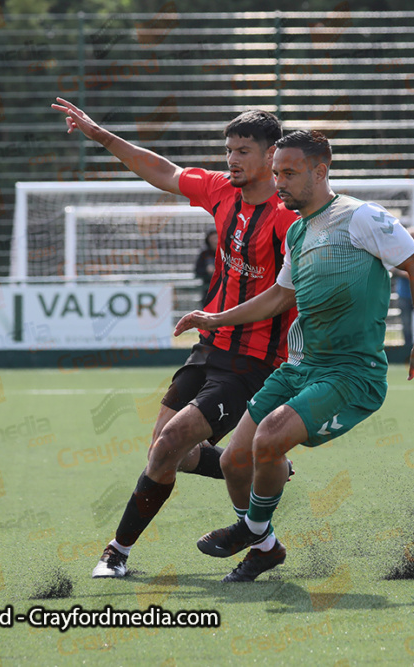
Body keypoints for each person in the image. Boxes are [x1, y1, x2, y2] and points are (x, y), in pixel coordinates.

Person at [175, 131, 414, 581]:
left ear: (321, 172)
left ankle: (250, 530)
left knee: (270, 439)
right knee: (231, 460)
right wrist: (215, 318)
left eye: (289, 173)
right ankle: (264, 546)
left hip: (350, 373)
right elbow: (280, 295)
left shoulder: (361, 217)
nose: (278, 182)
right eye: (276, 172)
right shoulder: (299, 230)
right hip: (300, 367)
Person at [51, 98, 299, 580]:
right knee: (169, 455)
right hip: (210, 346)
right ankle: (261, 517)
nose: (232, 159)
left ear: (272, 156)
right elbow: (161, 171)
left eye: (243, 150)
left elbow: (288, 293)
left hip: (256, 360)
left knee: (170, 442)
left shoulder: (291, 219)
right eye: (228, 149)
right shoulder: (221, 191)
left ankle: (116, 553)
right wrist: (101, 135)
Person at [194, 229, 218, 305]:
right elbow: (197, 271)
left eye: (216, 238)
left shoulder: (226, 252)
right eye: (213, 238)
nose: (215, 241)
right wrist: (207, 271)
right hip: (208, 290)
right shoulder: (204, 253)